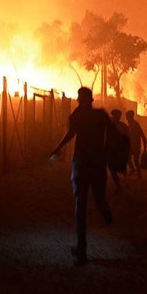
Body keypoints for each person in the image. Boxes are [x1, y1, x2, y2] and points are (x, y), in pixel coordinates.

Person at [50, 87, 113, 266]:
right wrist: (105, 153)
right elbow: (112, 134)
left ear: (80, 99)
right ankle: (102, 211)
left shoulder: (78, 115)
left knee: (81, 204)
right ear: (91, 99)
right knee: (95, 198)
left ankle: (82, 249)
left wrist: (58, 147)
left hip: (82, 163)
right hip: (95, 164)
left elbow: (71, 133)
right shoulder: (101, 115)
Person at [108, 109, 130, 190]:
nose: (114, 117)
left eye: (116, 115)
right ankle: (118, 185)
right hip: (112, 150)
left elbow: (128, 138)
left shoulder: (123, 126)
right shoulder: (109, 126)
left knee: (121, 168)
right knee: (111, 167)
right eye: (114, 115)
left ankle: (124, 183)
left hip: (120, 150)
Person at [125, 110, 147, 179]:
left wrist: (144, 144)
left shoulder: (135, 124)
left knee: (136, 160)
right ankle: (133, 170)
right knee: (128, 158)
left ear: (131, 116)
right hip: (130, 145)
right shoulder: (129, 124)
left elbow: (142, 134)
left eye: (127, 116)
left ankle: (139, 174)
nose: (126, 118)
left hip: (136, 145)